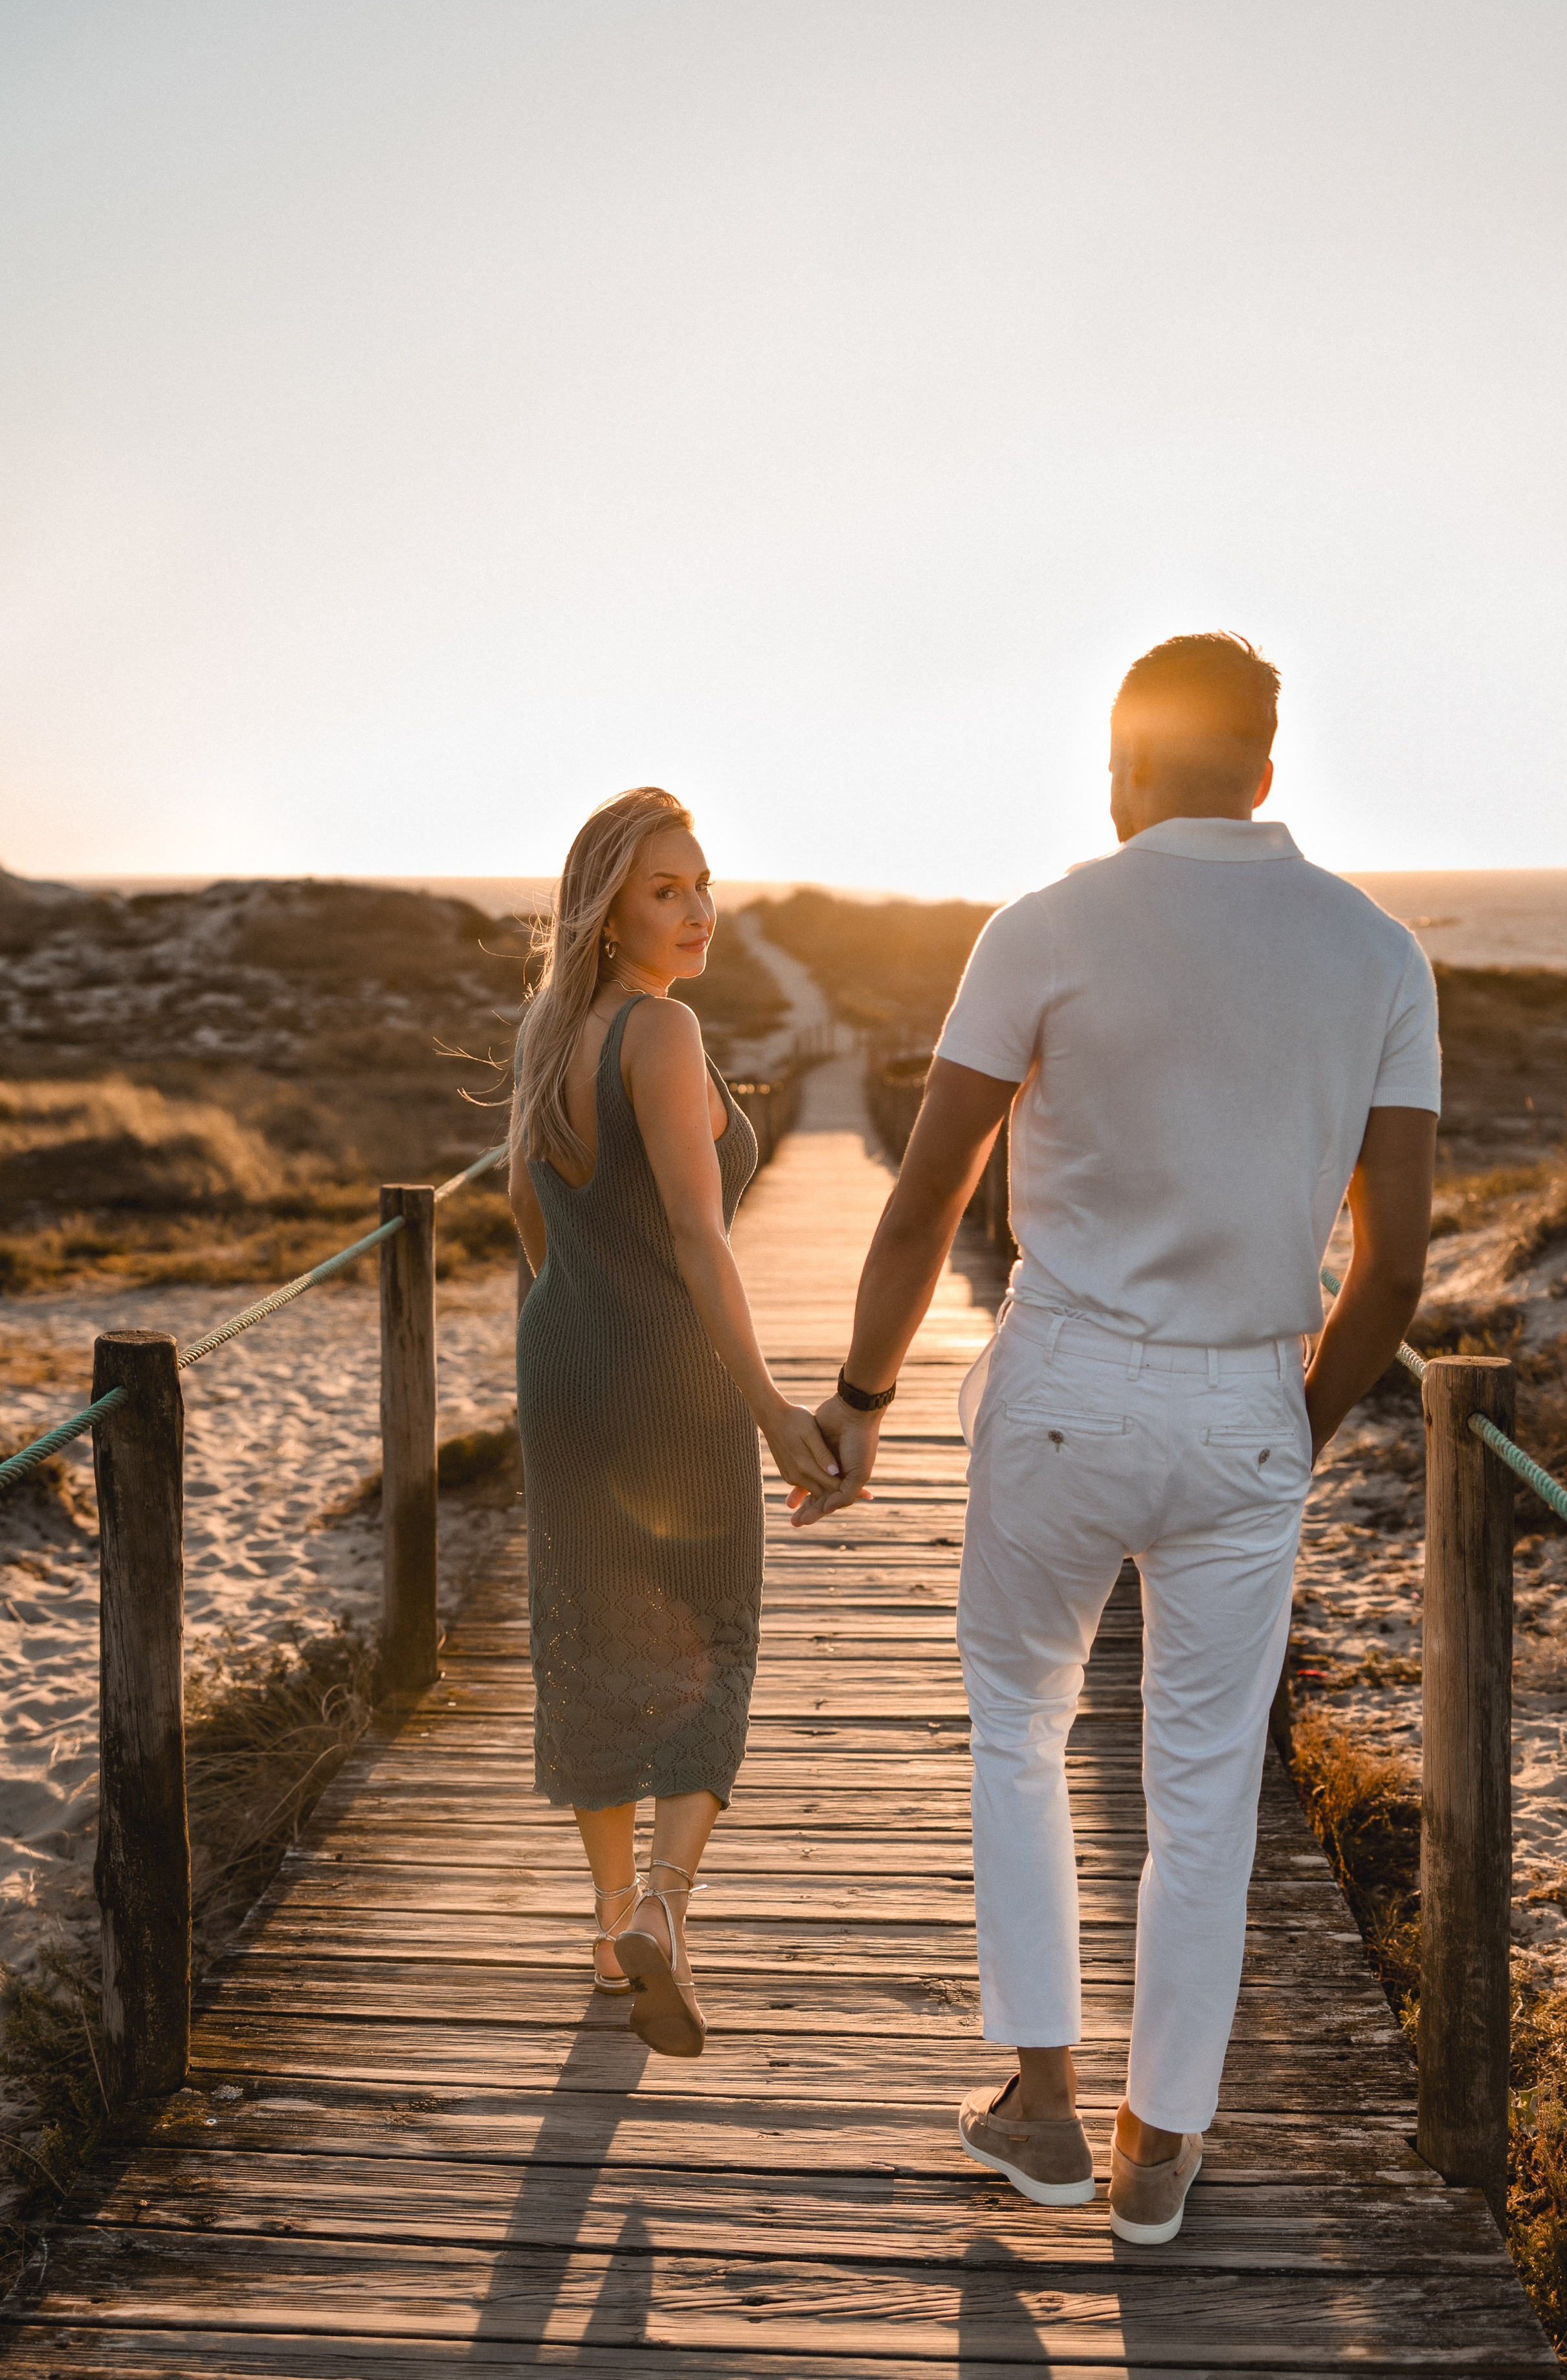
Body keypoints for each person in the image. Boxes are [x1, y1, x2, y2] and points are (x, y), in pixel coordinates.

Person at [795, 634, 1438, 2234]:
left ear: (1124, 764)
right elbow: (1391, 1270)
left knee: (1016, 1732)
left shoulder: (1043, 926)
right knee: (1203, 1793)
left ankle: (1040, 2107)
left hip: (1065, 1392)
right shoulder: (1377, 955)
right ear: (1265, 771)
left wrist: (860, 1400)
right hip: (1249, 1403)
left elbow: (925, 1197)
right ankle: (1158, 2155)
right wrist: (1289, 1424)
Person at [509, 785, 839, 2058]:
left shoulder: (548, 1027)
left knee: (589, 1632)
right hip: (672, 1376)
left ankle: (608, 1931)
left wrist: (576, 1320)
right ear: (606, 912)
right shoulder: (661, 1029)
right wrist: (770, 1408)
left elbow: (526, 1211)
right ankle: (664, 1904)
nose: (698, 910)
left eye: (703, 885)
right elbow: (701, 1240)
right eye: (665, 891)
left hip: (564, 1368)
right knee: (713, 1630)